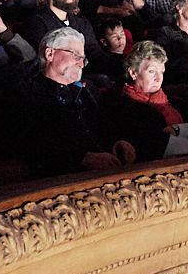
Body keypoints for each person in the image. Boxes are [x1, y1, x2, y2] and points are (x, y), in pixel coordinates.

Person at [11, 27, 136, 177]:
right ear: (50, 54)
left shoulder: (88, 89)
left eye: (83, 59)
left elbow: (105, 123)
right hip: (63, 179)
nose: (81, 64)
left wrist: (117, 142)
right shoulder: (27, 93)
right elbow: (34, 145)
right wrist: (82, 158)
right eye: (76, 56)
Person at [102, 40, 188, 160]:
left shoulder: (172, 101)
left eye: (161, 72)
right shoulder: (119, 103)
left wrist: (176, 129)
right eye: (152, 71)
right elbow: (144, 141)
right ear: (133, 72)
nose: (159, 78)